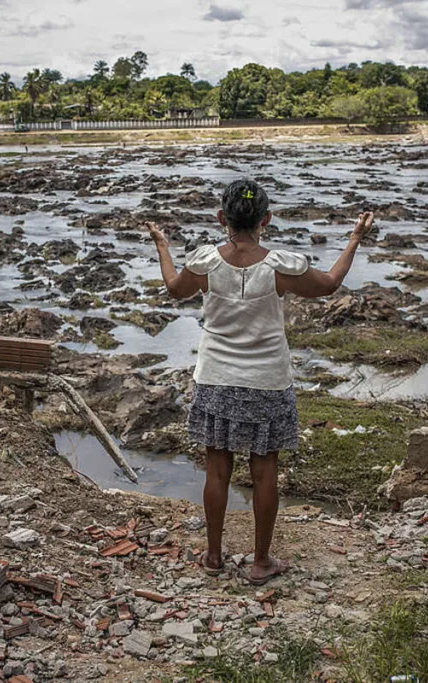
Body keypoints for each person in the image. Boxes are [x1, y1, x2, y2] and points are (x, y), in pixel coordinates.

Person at [147, 178, 374, 585]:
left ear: (222, 219)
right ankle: (260, 562)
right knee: (264, 470)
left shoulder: (205, 263)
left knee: (217, 470)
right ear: (266, 219)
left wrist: (162, 245)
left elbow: (173, 289)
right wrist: (354, 238)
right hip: (267, 381)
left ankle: (214, 557)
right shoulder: (280, 267)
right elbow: (330, 284)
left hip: (216, 378)